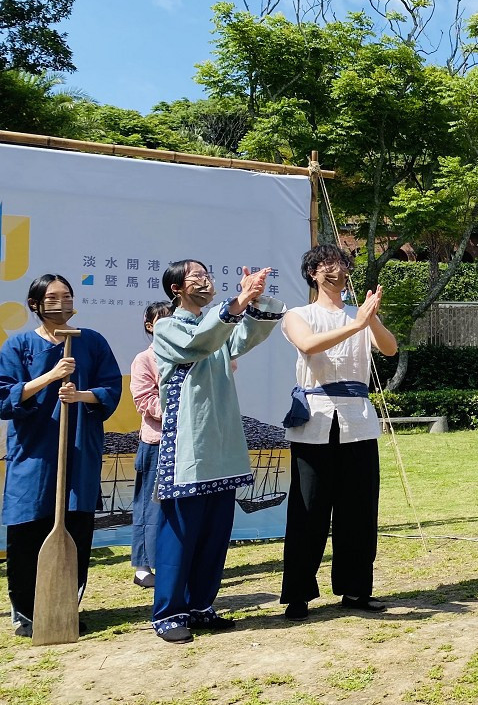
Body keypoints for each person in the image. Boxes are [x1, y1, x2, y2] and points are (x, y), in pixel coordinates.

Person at [150, 260, 283, 643]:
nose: (205, 281)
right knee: (181, 533)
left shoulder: (218, 323)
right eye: (195, 276)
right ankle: (169, 613)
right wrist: (236, 303)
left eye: (207, 275)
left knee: (214, 534)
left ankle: (201, 607)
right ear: (176, 289)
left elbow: (245, 338)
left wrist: (253, 300)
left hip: (222, 444)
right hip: (189, 447)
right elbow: (200, 343)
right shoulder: (168, 327)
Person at [0, 274, 122, 638]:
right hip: (35, 451)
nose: (61, 303)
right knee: (29, 526)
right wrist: (50, 377)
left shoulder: (91, 342)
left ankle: (65, 607)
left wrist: (83, 396)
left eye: (67, 296)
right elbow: (2, 396)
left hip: (78, 446)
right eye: (52, 297)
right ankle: (28, 612)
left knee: (75, 525)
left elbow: (111, 388)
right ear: (35, 304)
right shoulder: (19, 346)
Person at [280, 245, 398, 622]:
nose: (337, 272)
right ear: (313, 272)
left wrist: (371, 318)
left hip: (358, 421)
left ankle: (356, 589)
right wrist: (357, 323)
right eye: (328, 266)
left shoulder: (358, 315)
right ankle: (298, 594)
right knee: (309, 510)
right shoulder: (299, 314)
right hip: (315, 421)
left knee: (359, 511)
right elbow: (308, 344)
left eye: (343, 265)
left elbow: (390, 348)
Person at [128, 300, 174, 589]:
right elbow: (144, 400)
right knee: (149, 504)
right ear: (149, 326)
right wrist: (181, 413)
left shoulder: (189, 353)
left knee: (177, 505)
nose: (170, 325)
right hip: (157, 442)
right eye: (162, 320)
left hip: (188, 442)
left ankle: (171, 560)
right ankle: (142, 566)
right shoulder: (144, 359)